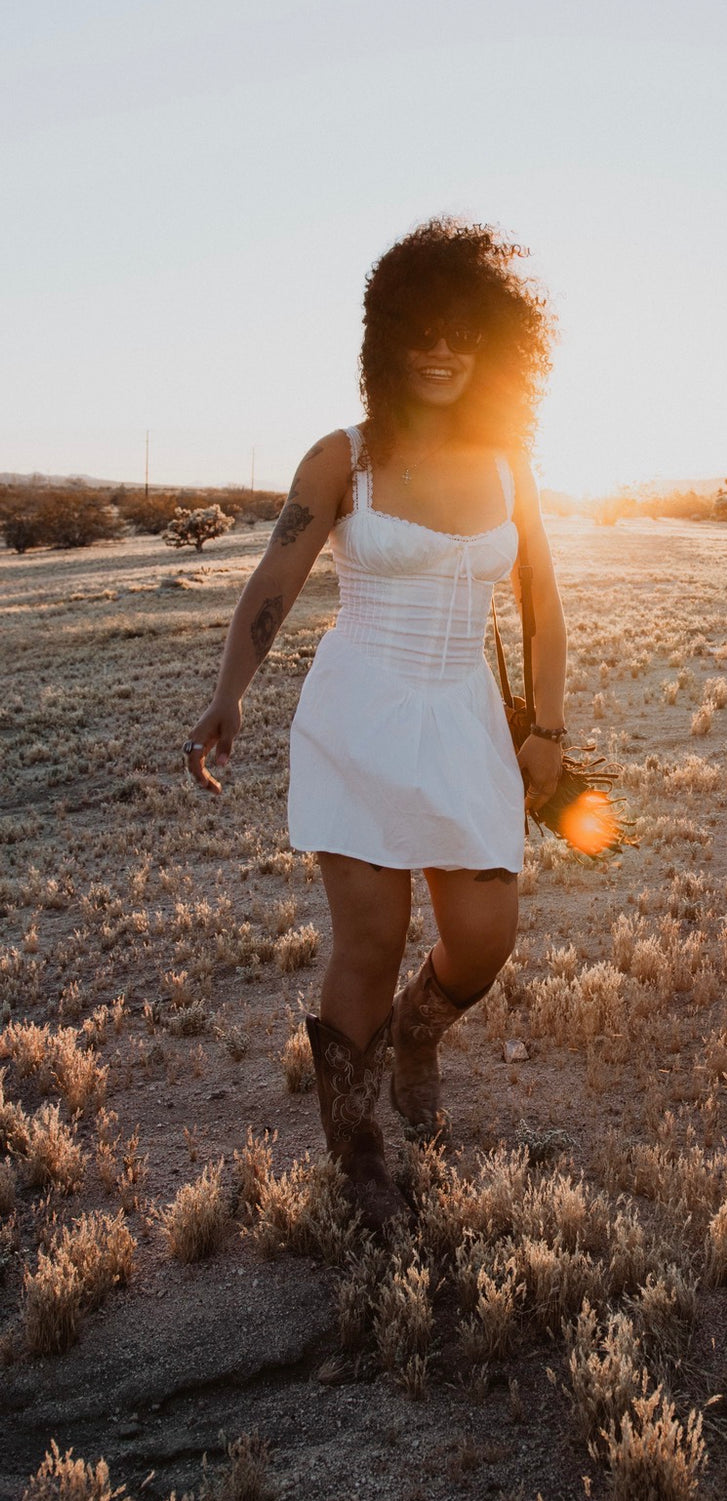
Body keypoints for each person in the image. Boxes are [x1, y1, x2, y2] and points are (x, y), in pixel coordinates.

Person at [183, 218, 567, 1228]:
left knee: (483, 941)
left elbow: (541, 604)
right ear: (385, 339)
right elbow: (275, 579)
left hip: (468, 723)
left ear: (491, 345)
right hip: (360, 715)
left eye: (461, 334)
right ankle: (359, 1162)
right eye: (419, 332)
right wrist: (229, 695)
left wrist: (550, 730)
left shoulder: (509, 468)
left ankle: (419, 1035)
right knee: (370, 940)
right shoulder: (342, 458)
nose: (440, 353)